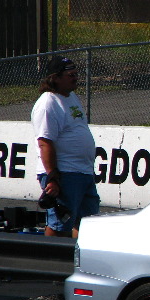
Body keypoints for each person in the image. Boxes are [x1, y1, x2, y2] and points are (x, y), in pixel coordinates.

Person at [31, 56, 100, 237]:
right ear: (55, 78)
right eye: (70, 74)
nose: (75, 78)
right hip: (64, 174)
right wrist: (53, 177)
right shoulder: (48, 104)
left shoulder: (71, 97)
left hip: (83, 172)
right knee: (60, 224)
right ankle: (51, 263)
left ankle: (78, 262)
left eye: (76, 73)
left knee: (87, 224)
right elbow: (45, 142)